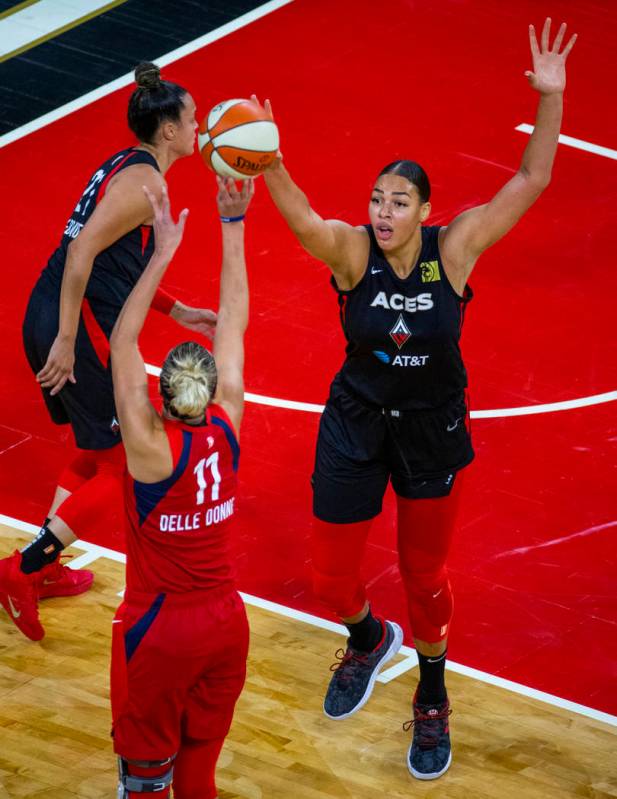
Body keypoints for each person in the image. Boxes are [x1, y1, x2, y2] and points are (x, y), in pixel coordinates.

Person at [256, 18, 576, 780]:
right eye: (375, 198)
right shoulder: (350, 252)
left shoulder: (454, 249)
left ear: (424, 210)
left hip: (431, 427)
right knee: (330, 576)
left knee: (426, 575)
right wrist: (267, 162)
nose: (382, 210)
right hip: (356, 420)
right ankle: (368, 638)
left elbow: (529, 182)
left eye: (398, 201)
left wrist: (550, 101)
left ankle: (431, 693)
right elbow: (302, 217)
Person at [0, 62, 216, 641]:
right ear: (167, 128)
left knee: (96, 449)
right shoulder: (149, 186)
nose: (197, 126)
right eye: (191, 117)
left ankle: (40, 566)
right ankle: (20, 570)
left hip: (57, 311)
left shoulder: (128, 167)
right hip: (77, 325)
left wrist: (177, 311)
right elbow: (81, 255)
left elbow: (116, 261)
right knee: (128, 465)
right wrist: (68, 341)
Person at [108, 176, 253, 799]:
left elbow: (121, 341)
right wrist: (233, 226)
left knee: (146, 780)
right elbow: (236, 324)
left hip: (160, 632)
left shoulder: (150, 449)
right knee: (199, 772)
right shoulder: (228, 421)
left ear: (159, 397)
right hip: (225, 626)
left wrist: (163, 251)